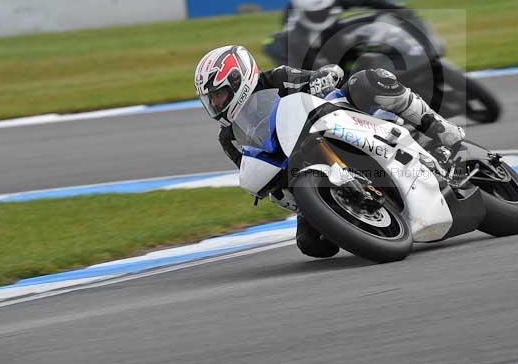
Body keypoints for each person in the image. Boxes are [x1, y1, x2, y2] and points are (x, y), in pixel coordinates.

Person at [194, 45, 464, 258]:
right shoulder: (229, 138)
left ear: (238, 78)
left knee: (369, 80)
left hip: (331, 125)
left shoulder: (277, 79)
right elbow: (254, 168)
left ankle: (437, 127)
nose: (216, 103)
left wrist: (325, 77)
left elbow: (322, 77)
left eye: (219, 94)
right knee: (312, 245)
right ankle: (364, 218)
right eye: (211, 99)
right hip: (300, 171)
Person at [266, 0, 410, 69]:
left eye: (325, 9)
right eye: (316, 13)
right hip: (307, 49)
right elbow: (309, 63)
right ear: (303, 11)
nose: (322, 14)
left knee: (376, 21)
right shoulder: (293, 30)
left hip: (333, 33)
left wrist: (397, 9)